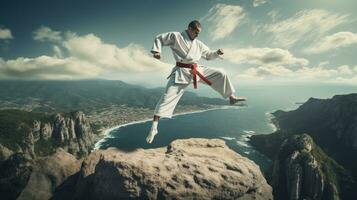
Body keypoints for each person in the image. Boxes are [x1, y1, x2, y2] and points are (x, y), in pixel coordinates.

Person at [146, 20, 247, 143]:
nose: (197, 35)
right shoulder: (176, 36)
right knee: (166, 98)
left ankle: (231, 97)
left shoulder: (198, 44)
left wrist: (217, 53)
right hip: (181, 72)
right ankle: (154, 128)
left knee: (221, 73)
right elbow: (159, 38)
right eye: (196, 32)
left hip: (196, 69)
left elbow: (208, 55)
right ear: (189, 28)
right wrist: (157, 51)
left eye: (199, 33)